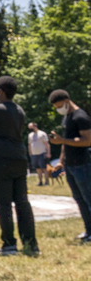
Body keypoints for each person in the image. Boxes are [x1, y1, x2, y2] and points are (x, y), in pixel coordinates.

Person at [0, 77, 38, 256]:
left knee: (3, 205)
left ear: (1, 91)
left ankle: (9, 244)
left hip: (0, 161)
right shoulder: (18, 110)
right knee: (22, 203)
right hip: (19, 159)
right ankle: (31, 244)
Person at [47, 89, 91, 243]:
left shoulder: (81, 117)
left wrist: (62, 141)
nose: (58, 109)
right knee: (79, 199)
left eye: (59, 106)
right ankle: (88, 231)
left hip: (82, 165)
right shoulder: (67, 117)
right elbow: (65, 142)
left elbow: (87, 140)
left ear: (66, 101)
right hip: (70, 166)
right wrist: (61, 161)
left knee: (89, 199)